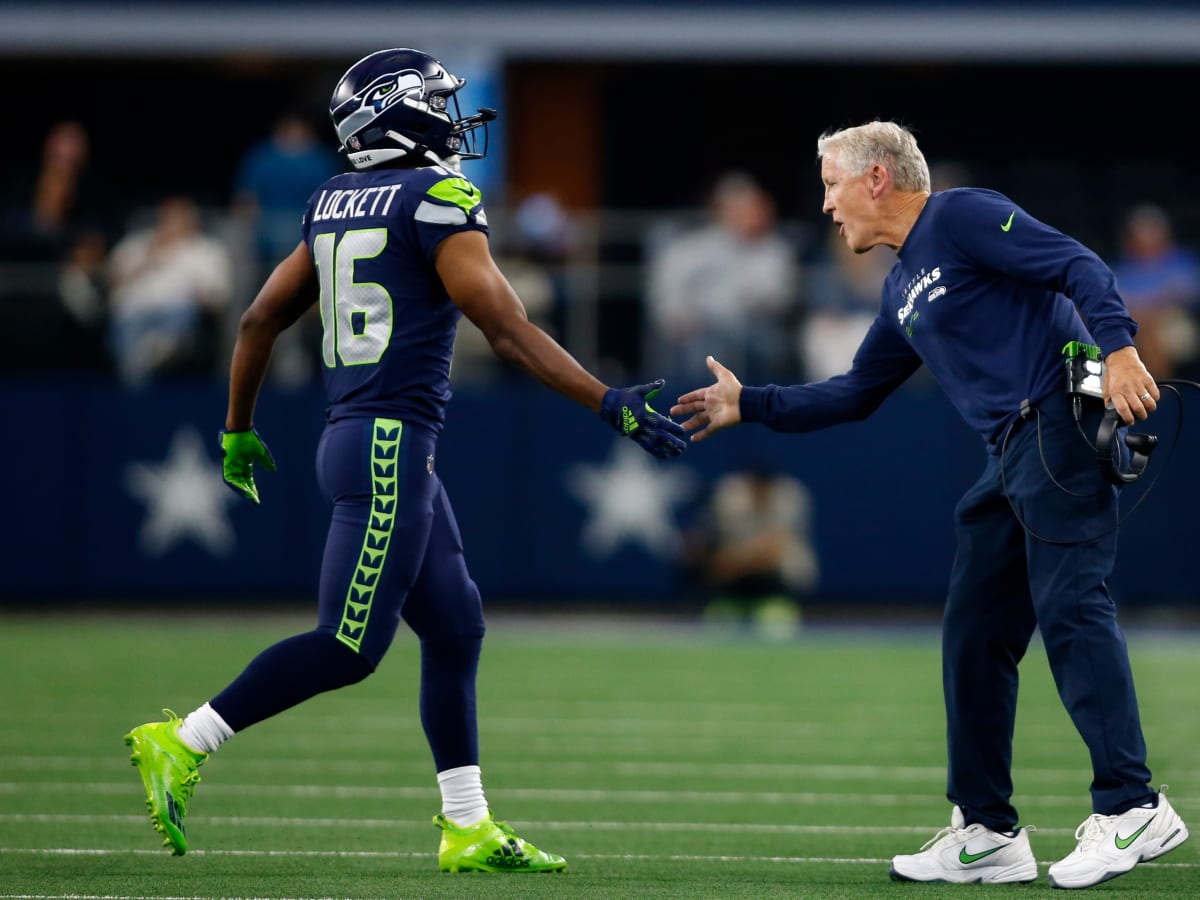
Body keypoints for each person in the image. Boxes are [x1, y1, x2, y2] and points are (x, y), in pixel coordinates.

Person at [123, 47, 686, 874]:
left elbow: (254, 321)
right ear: (398, 113)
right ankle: (185, 739)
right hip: (388, 443)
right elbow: (506, 326)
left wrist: (237, 428)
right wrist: (607, 400)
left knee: (456, 627)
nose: (457, 121)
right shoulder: (436, 196)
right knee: (348, 648)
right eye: (440, 103)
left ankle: (467, 825)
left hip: (363, 439)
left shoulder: (331, 199)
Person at [671, 120, 1188, 889]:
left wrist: (1117, 349)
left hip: (1057, 424)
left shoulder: (961, 215)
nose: (825, 205)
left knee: (1073, 610)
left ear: (877, 178)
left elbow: (1076, 264)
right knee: (974, 636)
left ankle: (1134, 806)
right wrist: (753, 404)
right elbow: (854, 392)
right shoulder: (900, 285)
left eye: (831, 184)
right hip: (1010, 457)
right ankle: (987, 830)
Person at [645, 170, 801, 383]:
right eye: (733, 206)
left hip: (754, 334)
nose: (742, 214)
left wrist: (750, 303)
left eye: (748, 206)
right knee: (701, 347)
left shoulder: (776, 250)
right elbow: (667, 293)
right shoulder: (692, 248)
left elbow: (781, 298)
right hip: (697, 333)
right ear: (719, 208)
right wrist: (680, 318)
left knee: (755, 344)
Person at [106, 195, 234, 385]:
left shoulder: (207, 251)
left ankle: (145, 362)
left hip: (178, 312)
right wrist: (148, 258)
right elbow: (112, 280)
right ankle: (136, 378)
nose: (175, 223)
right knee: (127, 328)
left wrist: (200, 295)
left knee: (176, 319)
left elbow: (220, 295)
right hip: (134, 312)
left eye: (181, 217)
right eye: (170, 217)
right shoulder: (138, 244)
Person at [683, 461, 817, 639]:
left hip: (777, 574)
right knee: (706, 558)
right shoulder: (730, 496)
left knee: (778, 563)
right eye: (755, 487)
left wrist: (741, 562)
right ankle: (724, 606)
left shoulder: (789, 496)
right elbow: (714, 538)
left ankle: (775, 606)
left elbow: (773, 549)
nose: (759, 491)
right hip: (732, 570)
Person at [1109, 203, 1200, 381]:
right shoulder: (1120, 269)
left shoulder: (1182, 261)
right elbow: (1112, 300)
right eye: (1140, 238)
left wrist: (1151, 307)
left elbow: (1188, 293)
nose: (1146, 244)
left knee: (1149, 331)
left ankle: (1159, 393)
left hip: (1175, 323)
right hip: (1132, 324)